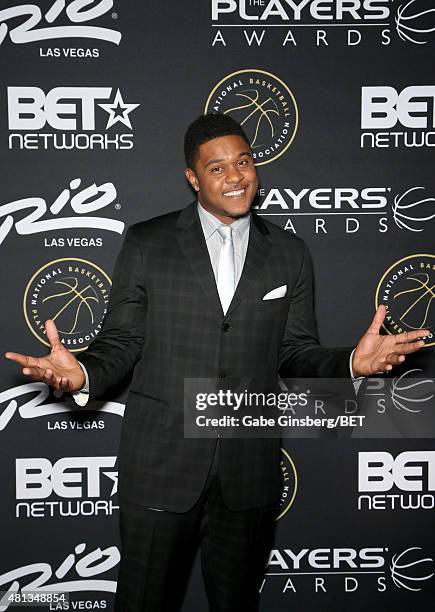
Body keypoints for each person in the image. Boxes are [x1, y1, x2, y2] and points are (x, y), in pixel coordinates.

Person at [5, 114, 429, 612]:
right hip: (162, 466)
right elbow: (121, 340)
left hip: (247, 474)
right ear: (193, 177)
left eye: (244, 162)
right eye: (218, 167)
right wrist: (84, 373)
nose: (235, 176)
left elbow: (295, 353)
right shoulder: (148, 243)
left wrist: (352, 364)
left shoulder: (289, 253)